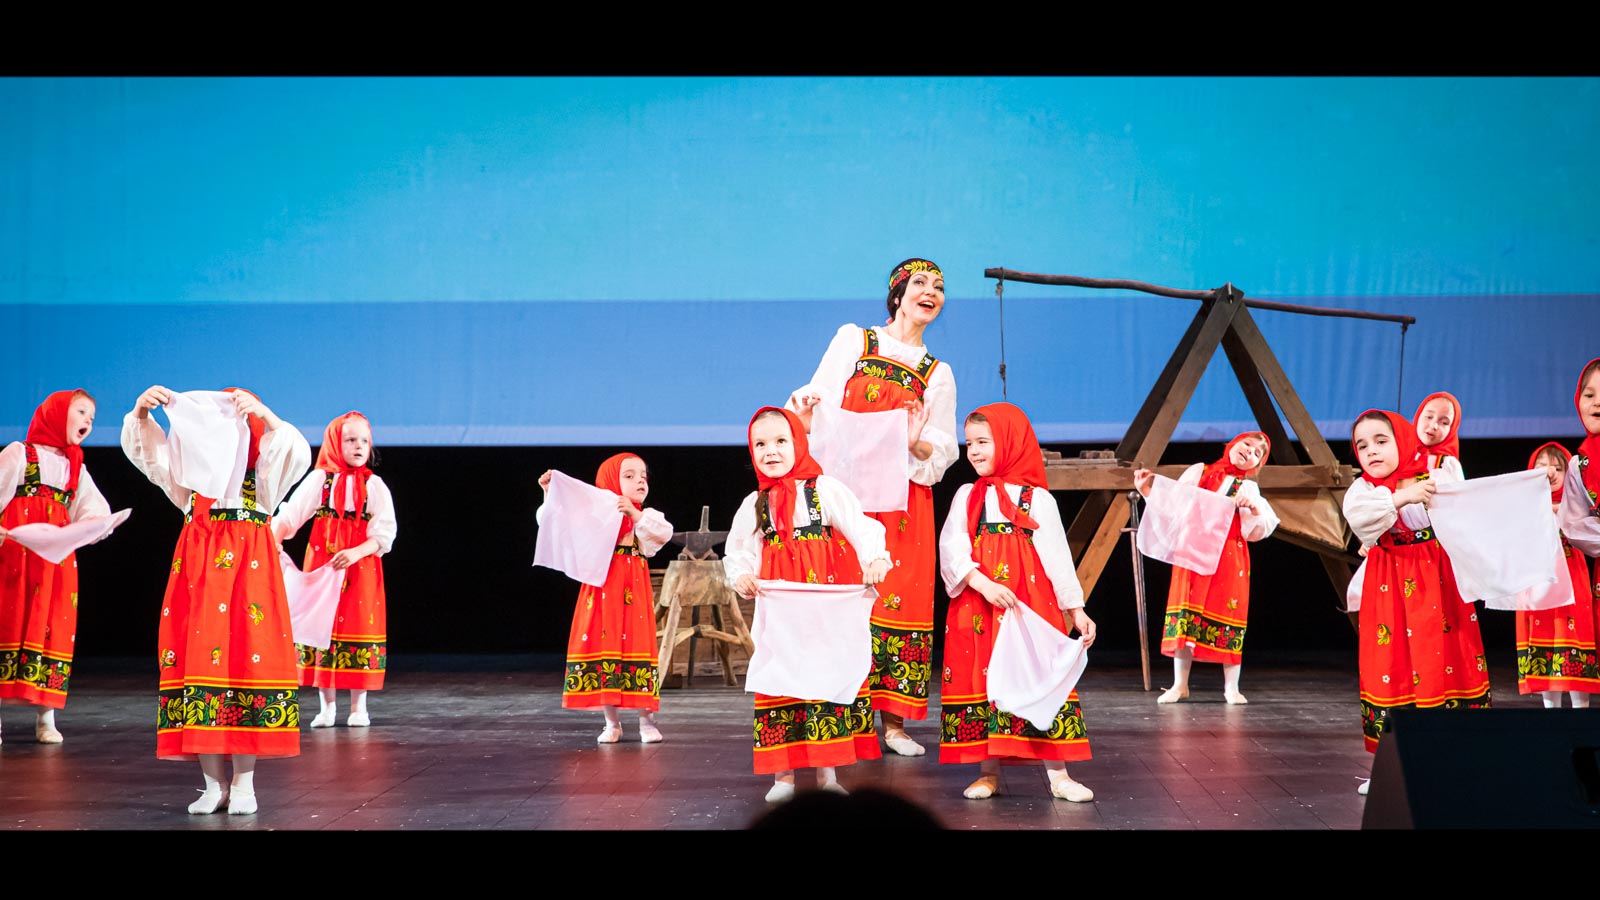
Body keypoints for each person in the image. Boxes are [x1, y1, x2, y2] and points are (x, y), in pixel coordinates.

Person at [787, 257, 958, 756]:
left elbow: (940, 450)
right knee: (847, 602)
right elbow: (816, 407)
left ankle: (895, 725)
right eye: (920, 283)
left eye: (939, 287)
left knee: (897, 601)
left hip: (905, 503)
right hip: (849, 498)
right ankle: (843, 720)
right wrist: (804, 415)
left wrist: (913, 441)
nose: (931, 292)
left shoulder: (937, 373)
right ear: (898, 294)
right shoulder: (854, 341)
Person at [122, 385, 310, 815]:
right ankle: (212, 784)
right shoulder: (191, 485)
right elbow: (150, 457)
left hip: (249, 579)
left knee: (247, 662)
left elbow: (295, 452)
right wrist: (141, 413)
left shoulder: (262, 479)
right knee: (200, 667)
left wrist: (264, 412)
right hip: (200, 578)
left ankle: (244, 783)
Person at [724, 407, 892, 801]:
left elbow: (862, 526)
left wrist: (875, 558)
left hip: (821, 611)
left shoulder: (825, 490)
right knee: (779, 681)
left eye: (781, 441)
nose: (770, 451)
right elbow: (739, 549)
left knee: (822, 680)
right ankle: (782, 778)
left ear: (799, 443)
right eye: (760, 444)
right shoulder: (756, 502)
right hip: (782, 615)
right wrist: (742, 575)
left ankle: (826, 775)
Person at [937, 402, 1096, 802]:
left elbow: (1057, 557)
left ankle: (1059, 775)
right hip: (980, 606)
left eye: (983, 441)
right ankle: (988, 772)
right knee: (984, 678)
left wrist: (1075, 608)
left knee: (1037, 677)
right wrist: (981, 583)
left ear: (1008, 442)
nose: (974, 451)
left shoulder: (1036, 499)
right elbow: (952, 548)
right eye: (970, 443)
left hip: (1028, 606)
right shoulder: (967, 496)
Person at [0, 389, 111, 745]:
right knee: (7, 623)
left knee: (52, 627)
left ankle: (45, 717)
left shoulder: (74, 466)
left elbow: (93, 509)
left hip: (54, 564)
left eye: (92, 418)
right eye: (81, 412)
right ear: (56, 414)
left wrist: (91, 526)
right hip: (14, 557)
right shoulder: (20, 453)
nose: (88, 422)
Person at [1133, 432, 1278, 704]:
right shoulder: (1199, 472)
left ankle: (1231, 687)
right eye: (1247, 444)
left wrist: (1253, 509)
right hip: (1191, 553)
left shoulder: (1247, 489)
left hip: (1228, 557)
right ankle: (1180, 685)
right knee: (1185, 615)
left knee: (1229, 612)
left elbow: (1258, 530)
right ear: (1233, 444)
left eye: (1258, 453)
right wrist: (1146, 491)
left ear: (1256, 466)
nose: (1250, 451)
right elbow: (1173, 509)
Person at [537, 453, 673, 743]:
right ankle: (612, 723)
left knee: (638, 645)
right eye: (629, 476)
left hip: (633, 591)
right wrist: (550, 494)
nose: (640, 481)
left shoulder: (645, 516)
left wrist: (635, 514)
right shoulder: (595, 516)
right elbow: (557, 522)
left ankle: (646, 721)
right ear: (610, 481)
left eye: (643, 476)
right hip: (601, 588)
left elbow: (663, 533)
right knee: (604, 644)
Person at [273, 411, 397, 728]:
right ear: (335, 443)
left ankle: (358, 707)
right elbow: (291, 516)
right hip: (323, 568)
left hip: (360, 570)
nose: (359, 446)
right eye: (351, 440)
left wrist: (356, 552)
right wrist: (273, 540)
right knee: (321, 628)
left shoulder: (374, 486)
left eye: (364, 440)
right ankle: (327, 707)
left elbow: (384, 533)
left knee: (359, 627)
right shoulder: (320, 481)